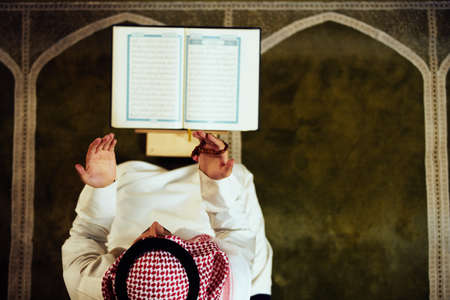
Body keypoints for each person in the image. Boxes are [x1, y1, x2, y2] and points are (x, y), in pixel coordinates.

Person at [62, 131, 273, 299]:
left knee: (125, 176)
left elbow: (87, 236)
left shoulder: (88, 285)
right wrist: (214, 181)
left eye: (143, 242)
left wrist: (102, 187)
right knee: (236, 177)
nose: (155, 225)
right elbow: (235, 231)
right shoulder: (232, 281)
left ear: (116, 272)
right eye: (166, 236)